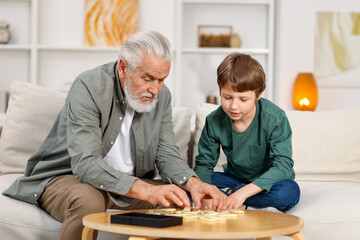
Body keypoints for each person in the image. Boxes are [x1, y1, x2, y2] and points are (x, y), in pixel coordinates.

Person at [3, 31, 225, 240]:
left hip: (128, 183)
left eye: (162, 79)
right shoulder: (89, 86)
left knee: (181, 200)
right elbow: (86, 165)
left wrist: (192, 183)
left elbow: (166, 153)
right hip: (70, 178)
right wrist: (144, 190)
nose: (155, 89)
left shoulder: (161, 96)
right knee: (88, 200)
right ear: (123, 68)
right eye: (148, 78)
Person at [194, 53, 300, 212]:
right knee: (188, 184)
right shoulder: (214, 120)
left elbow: (283, 166)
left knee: (289, 192)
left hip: (268, 183)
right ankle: (243, 201)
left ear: (259, 95)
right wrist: (205, 194)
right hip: (234, 179)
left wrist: (243, 192)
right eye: (227, 97)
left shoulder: (275, 118)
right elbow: (204, 164)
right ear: (220, 91)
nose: (234, 106)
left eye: (243, 100)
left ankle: (233, 198)